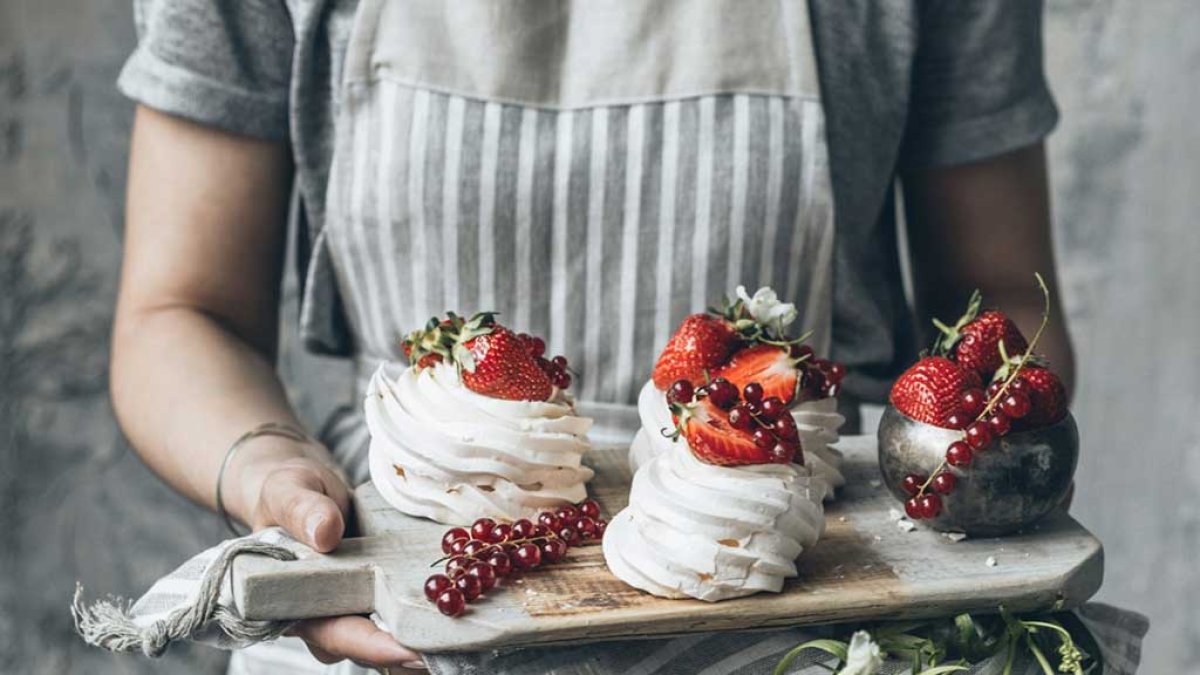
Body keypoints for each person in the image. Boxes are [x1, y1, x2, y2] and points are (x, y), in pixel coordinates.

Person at [111, 1, 1080, 672]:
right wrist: (271, 471)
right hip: (405, 574)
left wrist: (982, 444)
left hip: (808, 598)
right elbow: (181, 310)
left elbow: (998, 295)